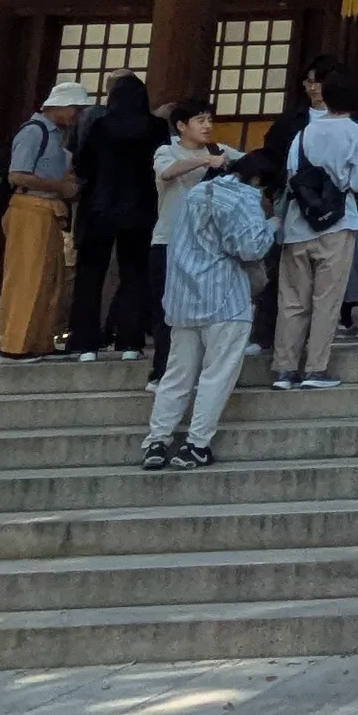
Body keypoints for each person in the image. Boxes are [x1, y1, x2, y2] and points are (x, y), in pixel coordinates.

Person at [141, 115, 276, 471]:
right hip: (225, 299)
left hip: (183, 297)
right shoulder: (245, 200)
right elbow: (249, 248)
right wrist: (273, 224)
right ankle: (196, 444)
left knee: (177, 375)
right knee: (216, 376)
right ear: (260, 181)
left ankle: (157, 440)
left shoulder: (198, 193)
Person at [271, 63, 358, 389]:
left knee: (292, 300)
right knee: (326, 299)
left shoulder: (304, 133)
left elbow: (291, 175)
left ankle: (285, 368)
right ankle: (315, 368)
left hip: (299, 223)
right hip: (338, 222)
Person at [65, 74, 166, 360]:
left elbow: (83, 164)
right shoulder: (156, 127)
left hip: (99, 208)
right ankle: (130, 342)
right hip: (141, 209)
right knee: (134, 275)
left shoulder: (100, 126)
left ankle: (85, 343)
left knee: (90, 276)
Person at [0, 80, 90, 360]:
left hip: (46, 209)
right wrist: (61, 187)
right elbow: (17, 175)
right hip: (30, 207)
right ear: (60, 105)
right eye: (75, 108)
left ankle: (39, 342)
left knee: (50, 278)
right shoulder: (34, 131)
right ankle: (13, 345)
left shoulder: (55, 134)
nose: (76, 115)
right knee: (27, 277)